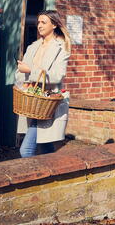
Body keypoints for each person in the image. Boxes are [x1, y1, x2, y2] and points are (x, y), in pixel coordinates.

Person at [15, 10, 71, 157]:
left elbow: (58, 75)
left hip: (47, 104)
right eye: (38, 22)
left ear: (54, 25)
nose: (39, 25)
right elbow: (20, 74)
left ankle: (30, 180)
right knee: (45, 145)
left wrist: (30, 70)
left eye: (43, 22)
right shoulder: (33, 47)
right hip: (31, 102)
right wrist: (21, 74)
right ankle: (54, 174)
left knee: (26, 150)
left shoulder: (61, 47)